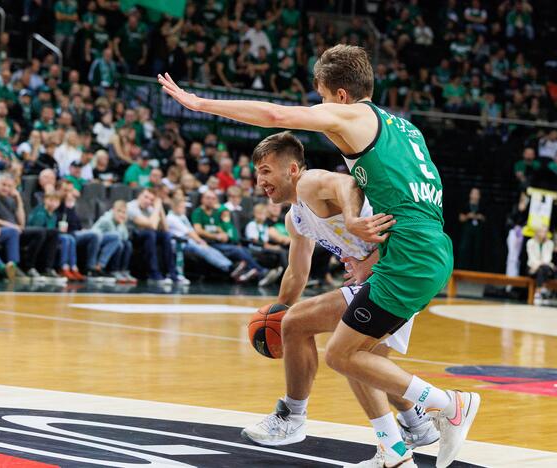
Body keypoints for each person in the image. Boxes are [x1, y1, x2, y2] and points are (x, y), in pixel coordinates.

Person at [159, 43, 478, 468]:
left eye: (323, 98)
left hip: (408, 255)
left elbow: (275, 116)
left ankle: (446, 406)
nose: (320, 108)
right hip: (422, 247)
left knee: (342, 354)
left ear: (340, 96)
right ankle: (398, 444)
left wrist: (199, 103)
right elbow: (390, 187)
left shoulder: (350, 117)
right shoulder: (404, 129)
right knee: (349, 351)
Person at [241, 132, 437, 452]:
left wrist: (356, 233)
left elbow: (348, 184)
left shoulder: (309, 182)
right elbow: (296, 272)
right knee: (362, 362)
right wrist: (277, 314)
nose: (260, 180)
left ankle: (292, 416)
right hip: (393, 278)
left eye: (265, 170)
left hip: (398, 269)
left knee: (303, 326)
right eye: (257, 172)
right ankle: (417, 426)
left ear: (292, 169)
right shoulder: (297, 219)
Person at [0, 172, 58, 280]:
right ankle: (16, 266)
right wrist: (11, 226)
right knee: (14, 231)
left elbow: (22, 223)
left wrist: (18, 199)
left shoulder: (10, 200)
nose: (6, 188)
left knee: (49, 232)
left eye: (9, 186)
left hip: (14, 230)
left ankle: (46, 268)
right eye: (3, 184)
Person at [166, 196, 235, 278]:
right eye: (182, 207)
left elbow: (190, 229)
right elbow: (188, 232)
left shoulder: (182, 216)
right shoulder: (171, 218)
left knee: (210, 249)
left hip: (189, 241)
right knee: (203, 249)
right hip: (178, 243)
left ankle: (231, 266)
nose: (184, 209)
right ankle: (229, 268)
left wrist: (199, 241)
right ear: (175, 207)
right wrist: (200, 241)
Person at [126, 188, 180, 286]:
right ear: (139, 196)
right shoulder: (131, 207)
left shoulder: (150, 208)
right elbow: (152, 226)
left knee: (166, 236)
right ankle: (153, 273)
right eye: (145, 197)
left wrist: (160, 208)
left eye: (151, 200)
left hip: (146, 236)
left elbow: (166, 229)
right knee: (150, 233)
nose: (147, 201)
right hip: (131, 236)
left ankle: (172, 273)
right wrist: (156, 208)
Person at [91, 200, 136, 283]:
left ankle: (123, 271)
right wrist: (121, 225)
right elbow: (116, 236)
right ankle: (112, 269)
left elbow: (125, 238)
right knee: (119, 243)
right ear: (113, 210)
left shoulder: (119, 222)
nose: (121, 214)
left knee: (128, 244)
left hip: (110, 242)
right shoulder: (107, 220)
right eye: (119, 211)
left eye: (124, 212)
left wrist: (122, 224)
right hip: (96, 241)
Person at [526, 225, 555, 305]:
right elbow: (531, 258)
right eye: (542, 231)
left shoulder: (550, 243)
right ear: (537, 232)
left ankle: (538, 293)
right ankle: (542, 291)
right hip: (532, 266)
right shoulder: (530, 242)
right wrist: (537, 265)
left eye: (545, 231)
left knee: (542, 269)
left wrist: (539, 264)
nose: (544, 233)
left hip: (544, 266)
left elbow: (548, 258)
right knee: (541, 270)